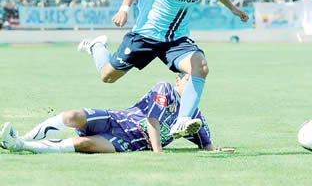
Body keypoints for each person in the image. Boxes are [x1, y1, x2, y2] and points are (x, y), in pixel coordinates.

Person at [78, 0, 249, 139]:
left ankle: (183, 120)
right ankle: (97, 47)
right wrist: (124, 8)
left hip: (176, 38)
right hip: (147, 34)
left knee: (200, 67)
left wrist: (232, 7)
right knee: (107, 76)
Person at [0, 74, 235, 154]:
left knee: (85, 145)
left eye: (197, 84)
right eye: (188, 80)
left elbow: (205, 144)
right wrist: (158, 152)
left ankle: (19, 146)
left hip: (127, 142)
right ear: (178, 80)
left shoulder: (194, 115)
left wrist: (215, 151)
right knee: (72, 116)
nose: (192, 86)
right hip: (117, 118)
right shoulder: (165, 89)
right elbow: (152, 120)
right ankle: (23, 136)